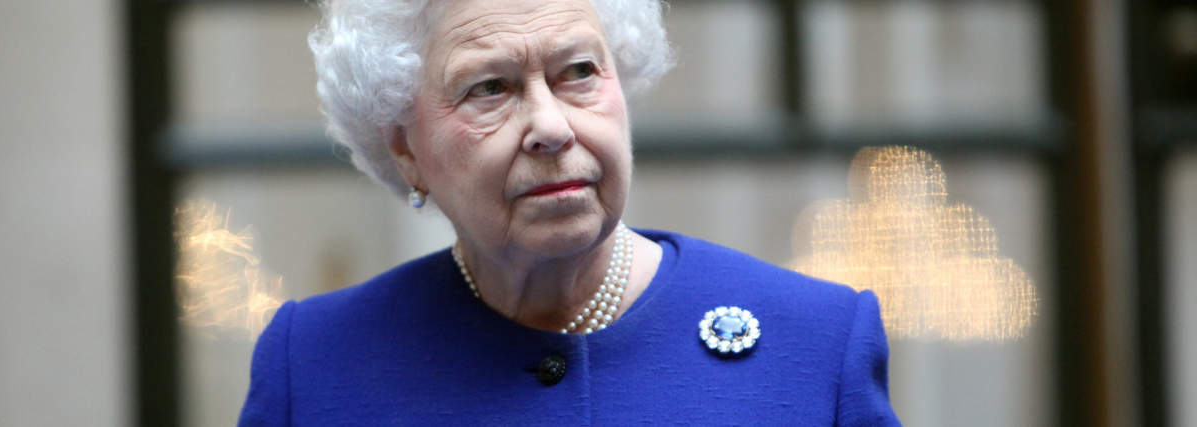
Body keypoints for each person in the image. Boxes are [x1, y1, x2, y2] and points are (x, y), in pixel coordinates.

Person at [240, 0, 900, 424]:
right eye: (490, 87)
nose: (551, 126)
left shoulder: (815, 344)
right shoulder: (317, 366)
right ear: (406, 147)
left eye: (579, 71)